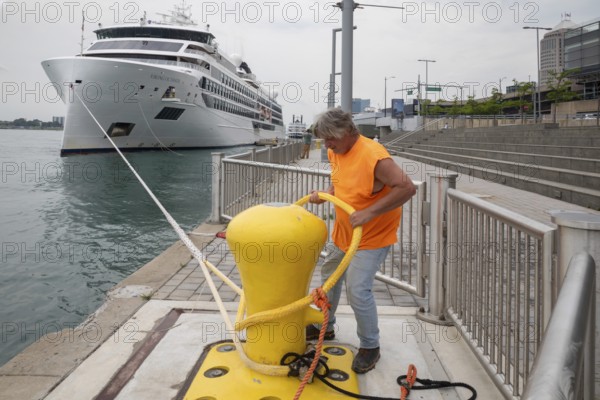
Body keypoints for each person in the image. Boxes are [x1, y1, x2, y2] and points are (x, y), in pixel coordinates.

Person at [307, 108, 416, 374]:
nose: (327, 146)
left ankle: (370, 346)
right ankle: (326, 326)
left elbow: (407, 188)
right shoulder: (337, 151)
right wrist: (325, 194)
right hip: (343, 233)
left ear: (346, 132)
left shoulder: (374, 157)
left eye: (330, 139)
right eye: (324, 141)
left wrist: (369, 212)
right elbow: (341, 184)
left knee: (357, 290)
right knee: (329, 280)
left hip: (372, 237)